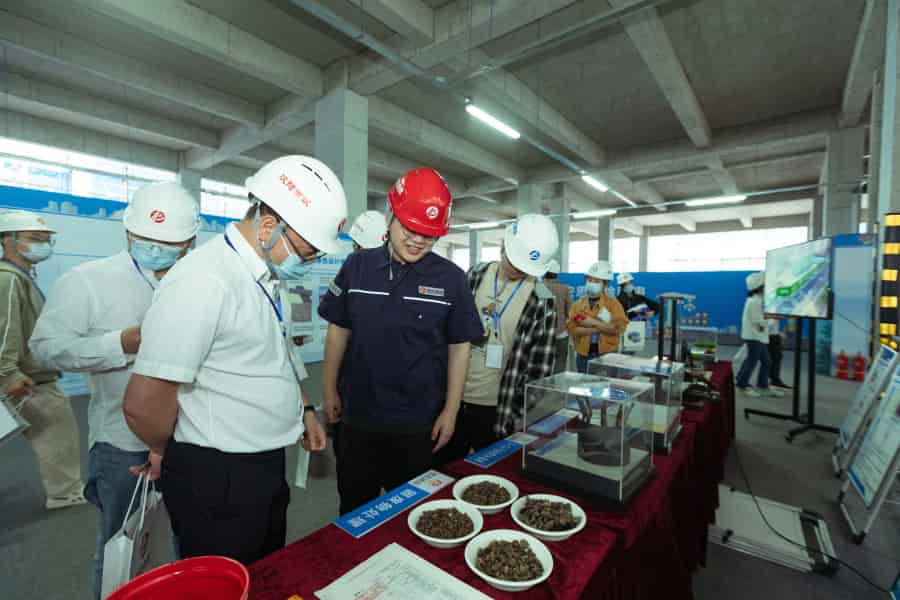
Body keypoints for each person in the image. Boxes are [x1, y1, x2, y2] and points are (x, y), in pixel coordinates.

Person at [122, 155, 343, 565]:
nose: (309, 262)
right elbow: (142, 403)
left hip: (262, 465)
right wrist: (166, 450)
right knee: (223, 581)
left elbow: (274, 355)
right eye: (307, 252)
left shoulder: (261, 275)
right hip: (218, 479)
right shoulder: (204, 281)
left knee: (263, 575)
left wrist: (304, 409)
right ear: (268, 226)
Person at [30, 182, 200, 599]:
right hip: (125, 444)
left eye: (168, 243)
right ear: (127, 231)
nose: (155, 249)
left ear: (189, 242)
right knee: (124, 553)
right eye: (145, 238)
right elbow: (45, 348)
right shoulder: (87, 281)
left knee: (192, 542)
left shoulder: (200, 284)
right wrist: (118, 344)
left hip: (195, 437)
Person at [318, 167, 483, 515]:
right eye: (410, 228)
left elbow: (459, 347)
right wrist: (329, 388)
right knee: (355, 510)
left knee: (411, 514)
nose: (418, 240)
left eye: (429, 234)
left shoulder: (452, 280)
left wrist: (451, 411)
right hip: (358, 418)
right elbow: (338, 329)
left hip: (418, 426)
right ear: (390, 216)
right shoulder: (357, 267)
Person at [441, 214, 558, 460]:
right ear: (504, 245)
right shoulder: (475, 275)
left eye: (524, 267)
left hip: (498, 408)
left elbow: (540, 370)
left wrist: (517, 414)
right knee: (445, 468)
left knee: (490, 475)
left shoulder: (543, 300)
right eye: (515, 262)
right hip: (452, 398)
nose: (518, 270)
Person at [0, 210, 85, 510]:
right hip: (27, 379)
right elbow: (5, 329)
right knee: (57, 434)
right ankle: (64, 492)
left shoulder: (19, 277)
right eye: (34, 238)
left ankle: (65, 490)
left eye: (46, 239)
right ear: (8, 241)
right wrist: (8, 374)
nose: (42, 245)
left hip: (30, 375)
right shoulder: (9, 279)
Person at [568, 261, 628, 373]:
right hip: (583, 354)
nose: (591, 283)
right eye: (589, 280)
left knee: (607, 383)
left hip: (607, 354)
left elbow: (619, 328)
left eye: (596, 281)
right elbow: (572, 329)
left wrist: (593, 322)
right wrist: (595, 329)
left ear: (605, 284)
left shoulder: (613, 305)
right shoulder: (578, 305)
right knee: (583, 383)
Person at [736, 272, 783, 397]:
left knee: (766, 361)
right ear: (760, 287)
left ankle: (762, 385)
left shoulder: (756, 300)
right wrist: (772, 319)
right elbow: (758, 321)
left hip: (757, 336)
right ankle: (742, 385)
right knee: (752, 361)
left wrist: (770, 317)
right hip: (754, 337)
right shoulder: (755, 302)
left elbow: (760, 319)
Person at [543, 260, 572, 374]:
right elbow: (570, 311)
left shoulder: (538, 286)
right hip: (561, 332)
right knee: (560, 360)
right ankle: (557, 382)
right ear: (557, 273)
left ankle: (544, 382)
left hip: (543, 332)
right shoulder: (564, 288)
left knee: (543, 361)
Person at [766, 317, 790, 388]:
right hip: (768, 336)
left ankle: (774, 379)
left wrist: (778, 333)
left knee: (777, 358)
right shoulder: (771, 315)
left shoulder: (775, 317)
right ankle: (770, 379)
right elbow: (768, 323)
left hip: (774, 336)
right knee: (767, 359)